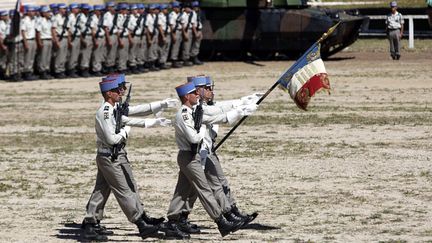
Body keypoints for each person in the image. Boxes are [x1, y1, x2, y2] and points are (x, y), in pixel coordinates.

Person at [81, 74, 173, 241]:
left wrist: (159, 107)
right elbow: (111, 139)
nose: (122, 91)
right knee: (124, 190)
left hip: (113, 155)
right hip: (109, 156)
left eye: (123, 87)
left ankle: (91, 223)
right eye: (118, 89)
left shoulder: (115, 107)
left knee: (103, 190)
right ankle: (140, 223)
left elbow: (135, 111)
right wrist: (125, 130)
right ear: (109, 93)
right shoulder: (106, 112)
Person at [168, 76, 259, 234]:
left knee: (183, 190)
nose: (197, 94)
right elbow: (194, 137)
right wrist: (204, 125)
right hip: (190, 155)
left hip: (196, 155)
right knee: (204, 189)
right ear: (186, 96)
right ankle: (221, 221)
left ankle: (174, 220)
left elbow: (217, 115)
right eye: (194, 92)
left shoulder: (195, 110)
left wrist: (239, 109)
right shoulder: (184, 114)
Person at [35, 6, 54, 80]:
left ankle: (46, 70)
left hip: (49, 39)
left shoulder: (49, 21)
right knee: (43, 57)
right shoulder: (40, 20)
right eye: (48, 12)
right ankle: (42, 72)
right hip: (44, 40)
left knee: (48, 56)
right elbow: (38, 32)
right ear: (43, 13)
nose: (50, 13)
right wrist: (39, 42)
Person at [51, 3, 69, 79]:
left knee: (64, 55)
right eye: (64, 9)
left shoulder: (64, 18)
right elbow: (53, 30)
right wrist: (56, 41)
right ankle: (58, 71)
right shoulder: (56, 18)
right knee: (59, 55)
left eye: (65, 9)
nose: (65, 10)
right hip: (59, 38)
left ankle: (62, 70)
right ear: (60, 9)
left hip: (65, 38)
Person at [21, 5, 38, 80]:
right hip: (28, 40)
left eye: (33, 11)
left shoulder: (34, 20)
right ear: (27, 12)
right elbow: (23, 32)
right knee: (27, 57)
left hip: (33, 40)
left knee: (32, 57)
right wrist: (25, 42)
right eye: (31, 11)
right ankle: (26, 72)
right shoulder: (25, 20)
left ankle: (30, 72)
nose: (33, 12)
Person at [77, 4, 93, 77]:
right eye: (85, 9)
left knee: (88, 54)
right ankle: (83, 70)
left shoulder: (88, 17)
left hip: (89, 36)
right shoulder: (80, 17)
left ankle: (87, 68)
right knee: (84, 54)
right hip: (84, 36)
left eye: (87, 9)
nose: (87, 11)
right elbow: (78, 30)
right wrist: (82, 39)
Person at [103, 2, 119, 73]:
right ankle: (109, 67)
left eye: (114, 7)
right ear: (108, 7)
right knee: (110, 52)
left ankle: (112, 66)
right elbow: (106, 28)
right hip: (110, 35)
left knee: (114, 52)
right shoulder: (107, 15)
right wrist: (108, 39)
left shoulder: (113, 15)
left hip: (115, 35)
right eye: (112, 7)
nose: (113, 8)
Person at [90, 4, 105, 76]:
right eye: (99, 10)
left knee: (100, 54)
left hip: (102, 37)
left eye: (101, 10)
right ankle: (96, 69)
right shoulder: (93, 18)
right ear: (95, 11)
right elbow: (93, 30)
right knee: (96, 54)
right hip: (97, 37)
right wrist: (95, 40)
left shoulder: (100, 18)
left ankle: (99, 68)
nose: (100, 12)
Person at [66, 3, 81, 78]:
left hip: (77, 37)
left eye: (77, 8)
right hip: (73, 38)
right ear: (72, 9)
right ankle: (71, 70)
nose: (77, 9)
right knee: (72, 55)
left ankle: (74, 69)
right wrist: (69, 41)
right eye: (75, 8)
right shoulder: (70, 17)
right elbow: (68, 30)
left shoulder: (76, 17)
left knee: (76, 54)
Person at [168, 1, 183, 68]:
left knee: (177, 46)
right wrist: (173, 35)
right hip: (175, 32)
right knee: (175, 47)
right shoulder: (172, 15)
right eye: (177, 7)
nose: (178, 8)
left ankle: (175, 59)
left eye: (179, 7)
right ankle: (173, 61)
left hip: (179, 31)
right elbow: (171, 26)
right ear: (174, 8)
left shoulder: (178, 14)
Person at [157, 4, 171, 69]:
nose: (167, 10)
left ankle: (164, 62)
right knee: (162, 49)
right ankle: (161, 62)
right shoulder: (160, 16)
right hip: (163, 34)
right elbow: (160, 27)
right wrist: (163, 36)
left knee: (166, 48)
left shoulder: (166, 16)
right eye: (165, 9)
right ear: (162, 10)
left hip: (167, 33)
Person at [0, 10, 9, 80]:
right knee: (2, 60)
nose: (7, 17)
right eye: (5, 15)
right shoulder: (0, 24)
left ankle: (3, 73)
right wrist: (2, 45)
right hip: (2, 43)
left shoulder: (7, 23)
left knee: (5, 59)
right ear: (1, 17)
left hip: (6, 42)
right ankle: (1, 74)